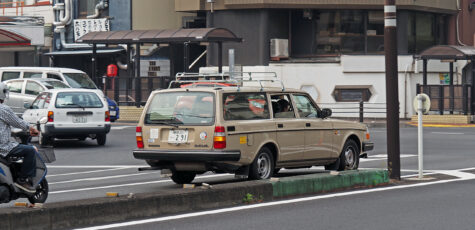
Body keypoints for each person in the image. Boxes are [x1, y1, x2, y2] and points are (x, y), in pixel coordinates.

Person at [0, 82, 39, 193]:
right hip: (3, 147)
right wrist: (31, 128)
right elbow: (18, 122)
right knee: (30, 151)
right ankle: (22, 180)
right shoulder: (3, 109)